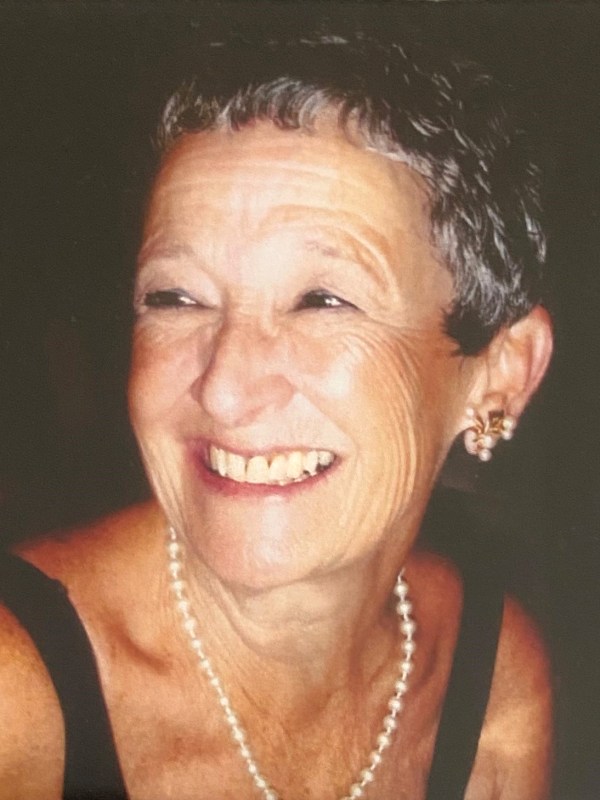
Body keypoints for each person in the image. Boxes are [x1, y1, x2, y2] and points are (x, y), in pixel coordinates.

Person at [0, 35, 553, 800]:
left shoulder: (490, 675)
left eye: (322, 300)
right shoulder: (16, 696)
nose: (225, 389)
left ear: (500, 374)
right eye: (176, 297)